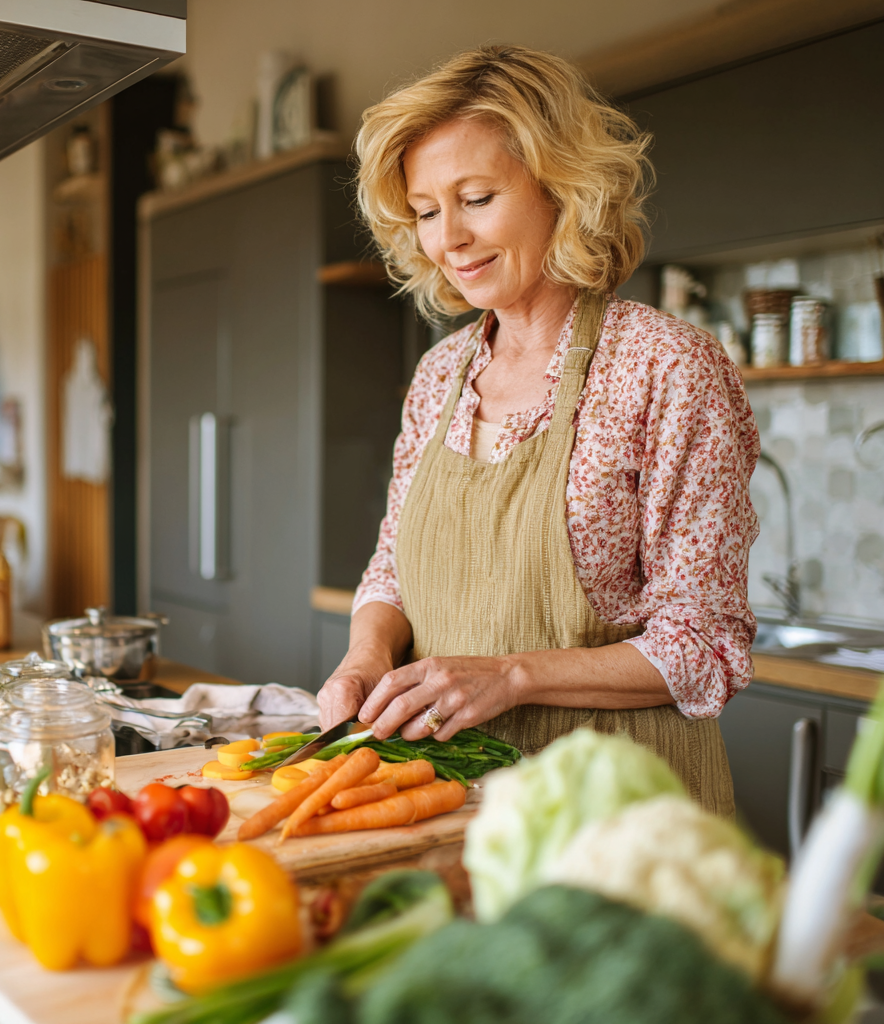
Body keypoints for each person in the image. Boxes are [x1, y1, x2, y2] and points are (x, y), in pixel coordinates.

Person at [317, 45, 759, 815]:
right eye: (425, 212)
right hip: (456, 808)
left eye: (477, 197)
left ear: (563, 187)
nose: (447, 237)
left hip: (621, 815)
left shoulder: (665, 367)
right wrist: (366, 655)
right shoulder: (439, 377)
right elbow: (393, 566)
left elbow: (703, 645)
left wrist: (513, 675)